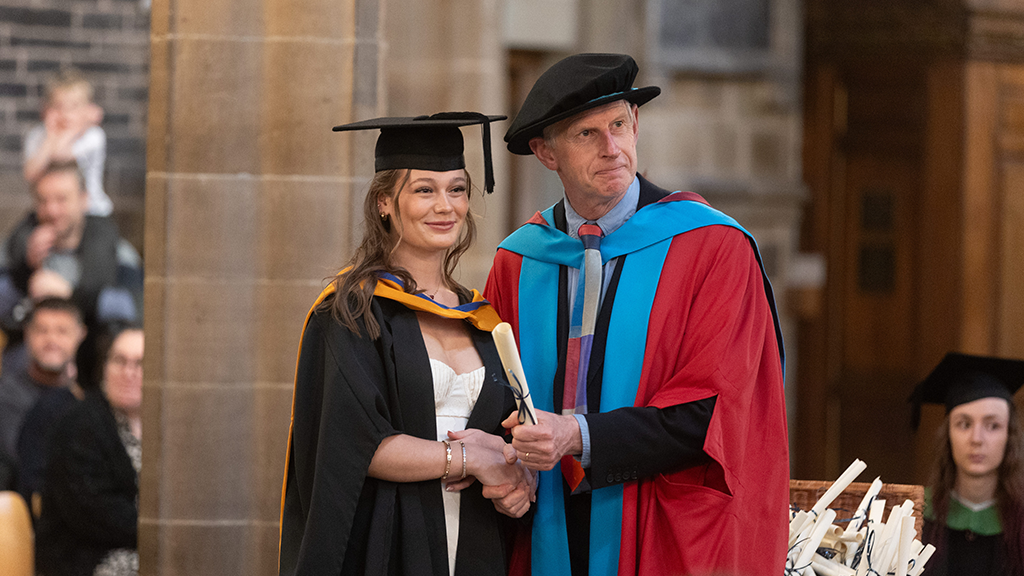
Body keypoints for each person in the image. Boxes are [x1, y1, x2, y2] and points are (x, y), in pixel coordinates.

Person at [485, 53, 789, 576]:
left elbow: (717, 413)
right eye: (586, 134)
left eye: (619, 125)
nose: (612, 148)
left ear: (636, 124)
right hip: (539, 524)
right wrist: (505, 459)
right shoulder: (520, 260)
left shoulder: (712, 248)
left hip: (656, 523)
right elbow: (492, 396)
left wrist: (576, 435)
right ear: (545, 152)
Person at [279, 112, 534, 576]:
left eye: (456, 189)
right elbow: (353, 442)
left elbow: (509, 429)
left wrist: (518, 471)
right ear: (383, 203)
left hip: (478, 539)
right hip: (388, 539)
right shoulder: (352, 312)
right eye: (424, 190)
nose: (445, 206)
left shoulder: (482, 318)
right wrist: (468, 457)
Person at [1, 159, 142, 387]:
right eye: (43, 201)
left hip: (91, 374)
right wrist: (23, 271)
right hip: (23, 382)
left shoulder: (113, 250)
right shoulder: (17, 245)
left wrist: (71, 294)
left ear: (84, 200)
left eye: (62, 199)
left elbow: (134, 307)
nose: (52, 210)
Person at [35, 323, 143, 576]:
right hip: (85, 559)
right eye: (119, 361)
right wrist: (163, 532)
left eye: (141, 363)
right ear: (104, 367)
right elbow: (95, 514)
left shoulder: (168, 428)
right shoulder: (80, 426)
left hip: (140, 546)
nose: (129, 372)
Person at [910, 352, 1024, 576]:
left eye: (992, 426)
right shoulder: (915, 517)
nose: (976, 439)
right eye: (964, 424)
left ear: (1009, 436)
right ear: (948, 434)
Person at [0, 297, 85, 490]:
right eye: (42, 330)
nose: (52, 340)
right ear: (27, 334)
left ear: (81, 334)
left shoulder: (82, 398)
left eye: (62, 331)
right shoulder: (5, 397)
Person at [23, 68, 112, 216]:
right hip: (49, 212)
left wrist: (73, 130)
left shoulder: (94, 136)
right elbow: (30, 173)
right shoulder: (37, 135)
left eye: (74, 106)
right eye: (58, 106)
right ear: (46, 109)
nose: (66, 114)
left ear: (88, 109)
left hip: (91, 212)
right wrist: (50, 136)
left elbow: (60, 156)